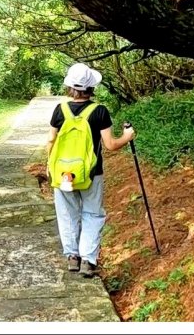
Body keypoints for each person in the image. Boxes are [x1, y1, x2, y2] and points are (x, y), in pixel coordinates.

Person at [46, 62, 135, 277]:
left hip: (62, 173)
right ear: (91, 88)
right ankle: (88, 260)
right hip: (92, 174)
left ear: (70, 87)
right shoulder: (99, 111)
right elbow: (111, 145)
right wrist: (128, 136)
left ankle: (72, 257)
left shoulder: (60, 110)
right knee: (93, 214)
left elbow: (51, 140)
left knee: (67, 214)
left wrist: (49, 165)